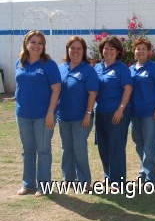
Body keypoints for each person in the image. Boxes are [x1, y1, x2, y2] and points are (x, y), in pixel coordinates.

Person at [15, 30, 61, 197]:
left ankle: (44, 186)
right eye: (33, 42)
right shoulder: (19, 63)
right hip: (22, 115)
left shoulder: (49, 64)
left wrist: (50, 112)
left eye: (40, 43)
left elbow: (56, 90)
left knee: (43, 150)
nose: (36, 46)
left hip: (43, 115)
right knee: (27, 150)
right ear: (26, 44)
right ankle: (28, 184)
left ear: (43, 46)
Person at [57, 36, 99, 192]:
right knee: (66, 148)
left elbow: (93, 94)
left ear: (83, 51)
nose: (75, 51)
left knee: (79, 148)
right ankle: (68, 178)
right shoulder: (61, 68)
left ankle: (84, 181)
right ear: (68, 50)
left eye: (79, 48)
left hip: (82, 118)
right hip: (63, 117)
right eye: (72, 48)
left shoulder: (88, 70)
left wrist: (88, 113)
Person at [94, 36, 133, 190]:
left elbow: (128, 89)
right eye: (106, 48)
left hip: (118, 112)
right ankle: (108, 176)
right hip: (101, 111)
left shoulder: (121, 68)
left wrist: (120, 109)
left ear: (118, 52)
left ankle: (118, 181)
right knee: (103, 145)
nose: (108, 51)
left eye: (112, 49)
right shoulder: (97, 67)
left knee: (116, 146)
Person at [129, 38, 155, 184]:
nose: (141, 51)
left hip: (150, 113)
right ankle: (143, 172)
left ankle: (151, 177)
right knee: (139, 143)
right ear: (134, 51)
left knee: (150, 144)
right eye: (138, 48)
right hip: (134, 113)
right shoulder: (130, 69)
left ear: (149, 52)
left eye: (144, 48)